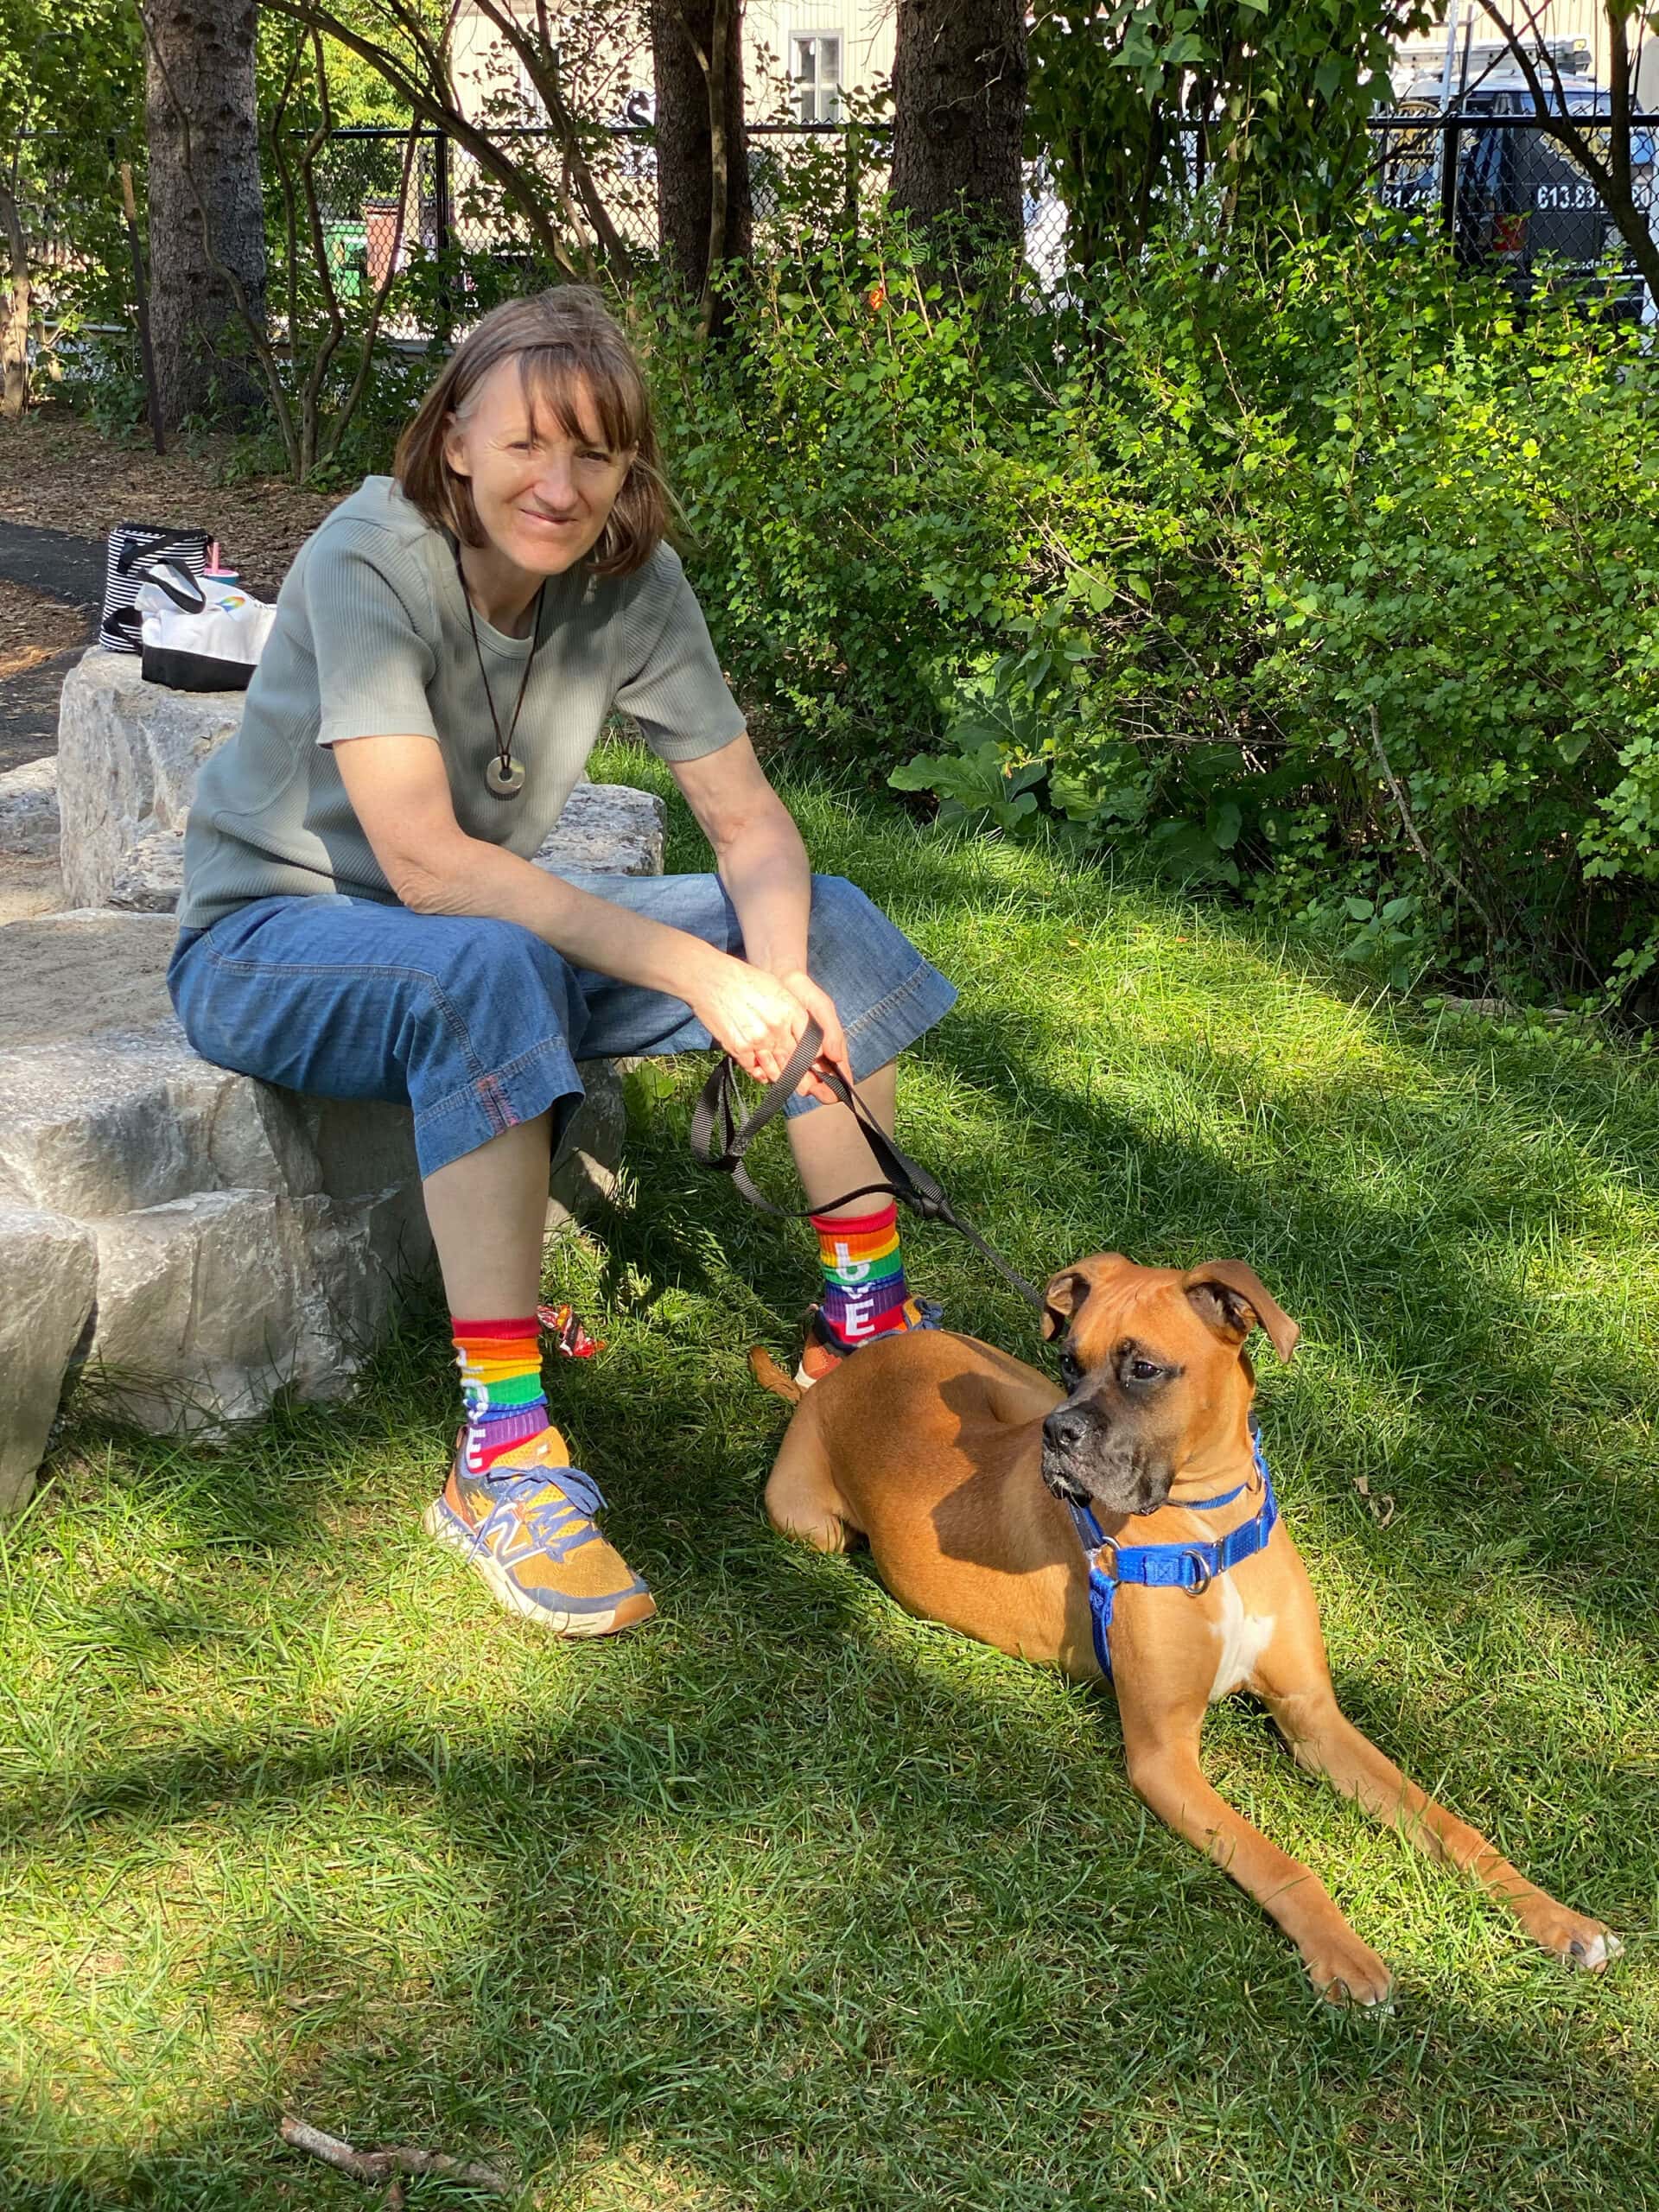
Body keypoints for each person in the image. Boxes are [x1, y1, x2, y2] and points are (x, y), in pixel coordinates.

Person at [168, 286, 957, 1639]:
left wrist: (774, 979)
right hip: (274, 937)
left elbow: (751, 819)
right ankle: (500, 1454)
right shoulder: (369, 559)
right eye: (528, 441)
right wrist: (704, 982)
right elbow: (425, 865)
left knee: (824, 919)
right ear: (454, 437)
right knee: (485, 965)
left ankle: (864, 1337)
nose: (561, 480)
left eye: (595, 452)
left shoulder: (629, 579)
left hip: (476, 932)